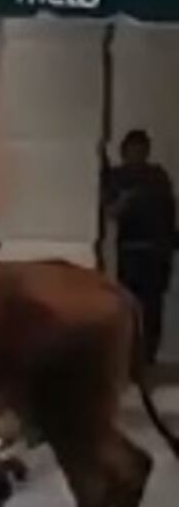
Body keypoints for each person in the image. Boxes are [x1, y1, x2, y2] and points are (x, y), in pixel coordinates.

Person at [104, 129, 176, 366]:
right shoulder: (116, 176)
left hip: (156, 251)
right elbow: (110, 212)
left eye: (142, 149)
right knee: (129, 307)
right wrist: (126, 200)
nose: (139, 154)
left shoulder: (157, 176)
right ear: (125, 151)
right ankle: (130, 358)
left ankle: (147, 358)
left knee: (153, 309)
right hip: (132, 250)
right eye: (134, 149)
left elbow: (169, 213)